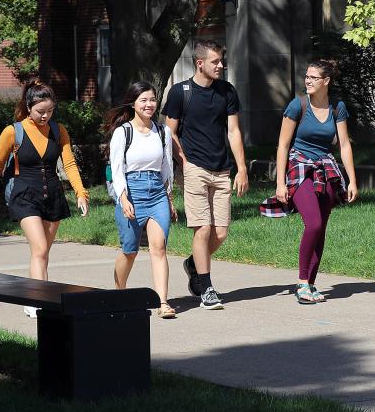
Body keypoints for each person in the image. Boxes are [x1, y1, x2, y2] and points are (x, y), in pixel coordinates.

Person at [0, 79, 89, 318]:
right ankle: (41, 300)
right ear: (28, 107)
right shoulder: (13, 132)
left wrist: (81, 193)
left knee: (42, 253)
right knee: (39, 248)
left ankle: (34, 296)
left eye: (50, 111)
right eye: (41, 111)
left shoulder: (58, 131)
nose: (45, 116)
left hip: (52, 195)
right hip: (24, 195)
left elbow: (69, 164)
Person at [259, 60, 358, 304]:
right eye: (307, 76)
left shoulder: (337, 108)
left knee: (321, 227)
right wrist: (280, 183)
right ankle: (302, 282)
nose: (308, 80)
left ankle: (311, 284)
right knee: (312, 223)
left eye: (314, 77)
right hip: (299, 165)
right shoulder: (298, 105)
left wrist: (352, 180)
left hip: (325, 168)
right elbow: (282, 145)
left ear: (326, 81)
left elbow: (344, 145)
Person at [163, 39, 248, 310]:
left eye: (221, 61)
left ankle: (192, 265)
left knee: (220, 233)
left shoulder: (227, 92)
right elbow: (170, 132)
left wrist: (242, 168)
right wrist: (183, 162)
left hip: (222, 169)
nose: (221, 65)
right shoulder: (180, 92)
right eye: (215, 61)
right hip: (195, 168)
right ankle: (206, 287)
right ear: (200, 63)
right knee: (203, 228)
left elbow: (233, 131)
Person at [106, 82, 178, 319]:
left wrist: (169, 198)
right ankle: (119, 293)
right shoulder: (123, 132)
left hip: (157, 191)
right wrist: (123, 198)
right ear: (133, 103)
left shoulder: (162, 132)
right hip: (131, 191)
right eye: (143, 100)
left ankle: (163, 302)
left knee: (159, 248)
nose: (149, 104)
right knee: (130, 250)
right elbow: (117, 170)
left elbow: (167, 167)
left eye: (153, 100)